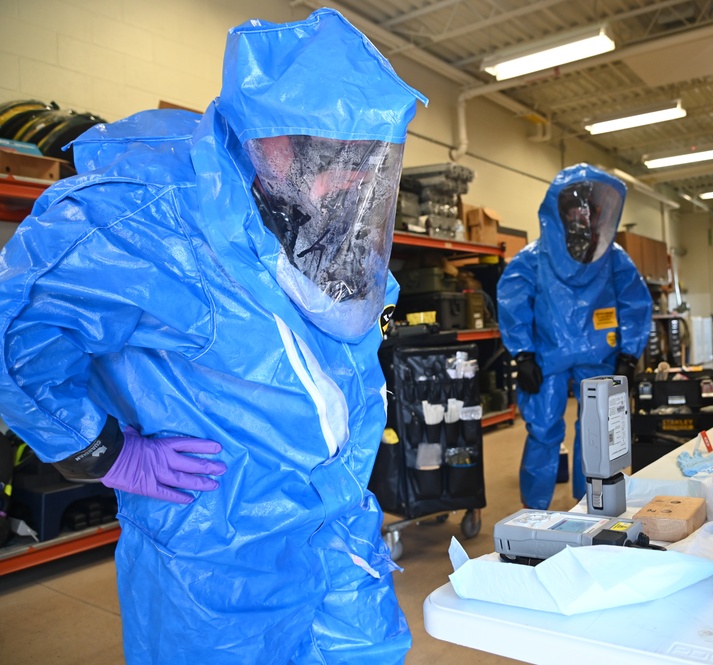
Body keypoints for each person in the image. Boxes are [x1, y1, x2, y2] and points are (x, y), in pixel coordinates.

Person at [0, 9, 426, 664]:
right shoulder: (152, 217)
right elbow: (15, 323)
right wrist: (99, 451)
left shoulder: (330, 230)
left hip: (339, 528)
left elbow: (365, 322)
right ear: (269, 141)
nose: (354, 176)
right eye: (334, 151)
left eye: (369, 157)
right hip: (218, 555)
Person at [497, 164, 652, 509]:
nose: (582, 217)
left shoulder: (612, 258)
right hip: (549, 355)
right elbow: (513, 301)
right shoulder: (535, 258)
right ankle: (536, 509)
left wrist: (629, 354)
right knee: (544, 428)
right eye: (575, 208)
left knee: (596, 432)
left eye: (589, 209)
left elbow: (634, 303)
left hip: (596, 354)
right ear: (559, 211)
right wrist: (522, 354)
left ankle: (589, 503)